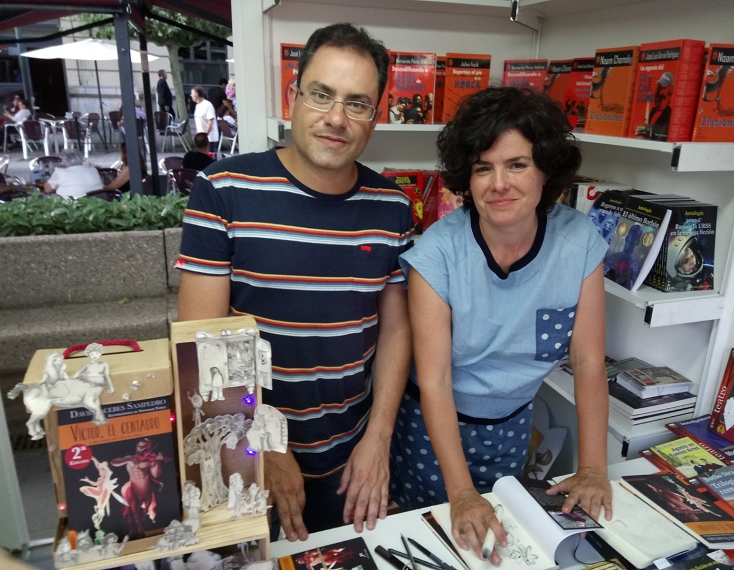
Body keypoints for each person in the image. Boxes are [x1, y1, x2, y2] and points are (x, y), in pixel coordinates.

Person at [177, 22, 414, 540]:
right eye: (321, 94)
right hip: (245, 451)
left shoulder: (393, 206)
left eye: (357, 103)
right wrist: (261, 438)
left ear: (375, 117)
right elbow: (203, 338)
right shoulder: (223, 189)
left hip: (350, 456)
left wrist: (378, 438)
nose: (336, 118)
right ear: (293, 97)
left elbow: (396, 329)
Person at [389, 86, 612, 565]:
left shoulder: (578, 240)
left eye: (517, 165)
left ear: (545, 169)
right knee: (441, 543)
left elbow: (589, 359)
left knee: (501, 547)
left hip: (512, 426)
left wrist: (595, 467)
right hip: (434, 429)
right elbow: (435, 379)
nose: (499, 184)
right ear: (466, 178)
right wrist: (461, 492)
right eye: (482, 168)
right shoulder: (438, 253)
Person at [191, 86, 219, 153]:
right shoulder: (197, 106)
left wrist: (205, 135)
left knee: (210, 156)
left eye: (192, 93)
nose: (191, 95)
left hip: (210, 138)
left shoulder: (207, 105)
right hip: (201, 138)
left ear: (197, 94)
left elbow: (210, 121)